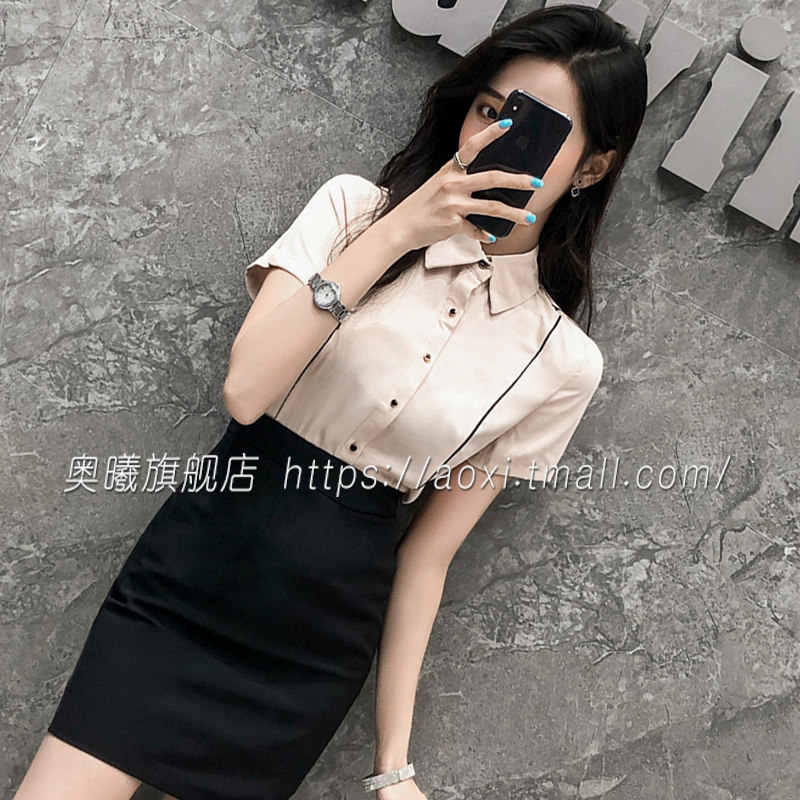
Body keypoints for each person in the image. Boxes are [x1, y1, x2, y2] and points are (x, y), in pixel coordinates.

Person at [13, 4, 647, 800]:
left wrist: (393, 767)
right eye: (491, 110)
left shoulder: (562, 362)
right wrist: (399, 232)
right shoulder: (354, 210)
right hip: (190, 579)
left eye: (535, 129)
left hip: (310, 652)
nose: (494, 138)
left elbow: (427, 558)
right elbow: (246, 391)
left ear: (590, 168)